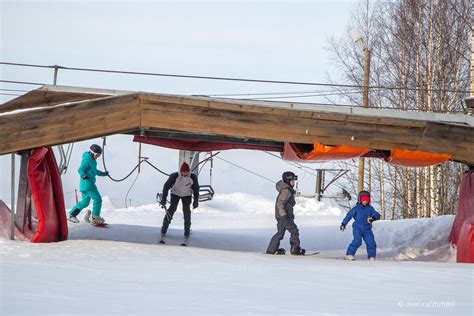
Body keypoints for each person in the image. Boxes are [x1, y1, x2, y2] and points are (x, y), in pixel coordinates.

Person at [68, 144, 109, 225]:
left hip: (85, 185)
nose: (97, 157)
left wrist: (103, 174)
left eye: (99, 155)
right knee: (98, 199)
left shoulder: (92, 161)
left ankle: (72, 215)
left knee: (84, 203)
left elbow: (95, 171)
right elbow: (80, 169)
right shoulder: (87, 160)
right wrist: (83, 175)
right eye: (97, 155)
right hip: (88, 184)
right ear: (92, 153)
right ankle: (95, 217)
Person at [266, 171, 305, 255]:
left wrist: (293, 193)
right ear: (288, 181)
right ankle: (295, 249)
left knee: (280, 233)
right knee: (294, 230)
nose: (294, 183)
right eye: (292, 181)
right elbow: (280, 203)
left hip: (282, 215)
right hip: (285, 215)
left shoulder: (286, 190)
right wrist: (283, 215)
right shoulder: (286, 191)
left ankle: (271, 250)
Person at [159, 162, 199, 244]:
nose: (185, 173)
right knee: (172, 209)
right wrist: (163, 199)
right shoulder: (174, 176)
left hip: (187, 195)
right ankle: (164, 228)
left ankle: (187, 231)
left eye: (187, 172)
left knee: (186, 211)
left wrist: (195, 201)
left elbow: (196, 189)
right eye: (184, 172)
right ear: (181, 171)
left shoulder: (192, 177)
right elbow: (166, 187)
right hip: (175, 194)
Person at [340, 190, 381, 261]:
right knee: (357, 241)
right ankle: (349, 255)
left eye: (367, 199)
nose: (365, 201)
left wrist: (373, 218)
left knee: (371, 242)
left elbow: (377, 215)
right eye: (363, 199)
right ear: (360, 199)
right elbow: (349, 216)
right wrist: (343, 223)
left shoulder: (370, 209)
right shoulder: (356, 208)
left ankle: (371, 257)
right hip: (357, 228)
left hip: (367, 229)